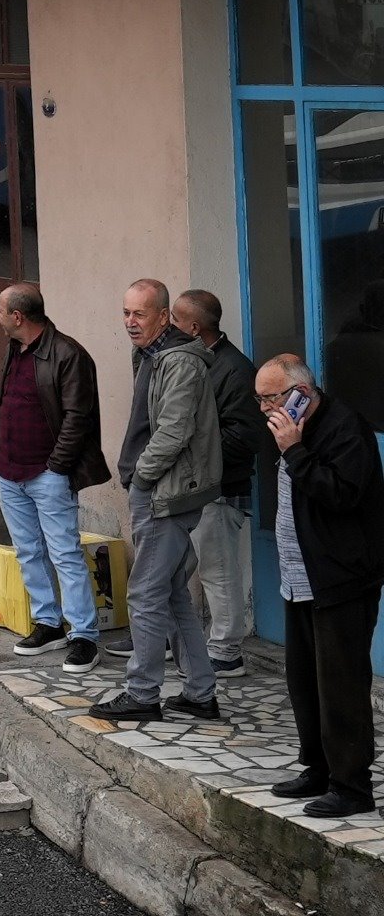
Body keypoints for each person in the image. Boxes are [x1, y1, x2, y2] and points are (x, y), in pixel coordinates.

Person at [90, 279, 221, 725]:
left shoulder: (180, 362)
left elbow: (173, 431)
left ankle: (142, 693)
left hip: (166, 494)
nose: (130, 322)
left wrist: (142, 477)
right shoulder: (149, 354)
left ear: (164, 316)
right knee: (171, 595)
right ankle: (201, 693)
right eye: (126, 313)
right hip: (157, 490)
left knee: (145, 593)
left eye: (139, 314)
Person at [258, 354, 384, 818]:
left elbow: (340, 494)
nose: (265, 407)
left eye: (271, 397)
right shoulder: (292, 426)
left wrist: (294, 450)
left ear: (301, 394)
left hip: (341, 577)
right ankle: (317, 767)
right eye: (261, 398)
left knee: (341, 685)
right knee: (304, 679)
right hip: (300, 575)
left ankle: (352, 787)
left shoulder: (345, 429)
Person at [0, 284, 108, 670]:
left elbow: (78, 418)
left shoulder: (68, 354)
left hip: (47, 474)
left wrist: (56, 468)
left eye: (0, 310)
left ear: (18, 317)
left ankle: (84, 635)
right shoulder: (15, 348)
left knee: (65, 554)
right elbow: (7, 405)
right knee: (28, 552)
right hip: (10, 472)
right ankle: (48, 622)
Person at [172, 288, 259, 674]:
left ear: (193, 327)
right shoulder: (199, 361)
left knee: (219, 572)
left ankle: (226, 652)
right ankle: (178, 638)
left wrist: (190, 450)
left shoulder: (235, 369)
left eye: (175, 319)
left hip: (220, 490)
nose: (169, 325)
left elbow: (242, 439)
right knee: (189, 568)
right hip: (194, 488)